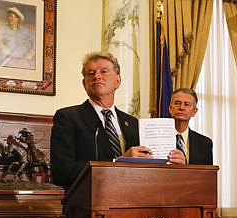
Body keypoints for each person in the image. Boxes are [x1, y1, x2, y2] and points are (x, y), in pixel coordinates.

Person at [51, 51, 171, 188]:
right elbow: (61, 172)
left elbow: (150, 167)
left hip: (132, 199)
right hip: (89, 200)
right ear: (84, 84)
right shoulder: (68, 118)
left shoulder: (132, 123)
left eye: (104, 71)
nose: (97, 76)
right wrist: (116, 163)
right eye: (91, 73)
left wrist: (172, 162)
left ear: (117, 81)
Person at [168, 88, 213, 165]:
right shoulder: (156, 137)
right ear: (170, 109)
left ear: (194, 112)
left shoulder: (205, 143)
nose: (181, 107)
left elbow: (207, 174)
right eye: (177, 103)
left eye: (187, 104)